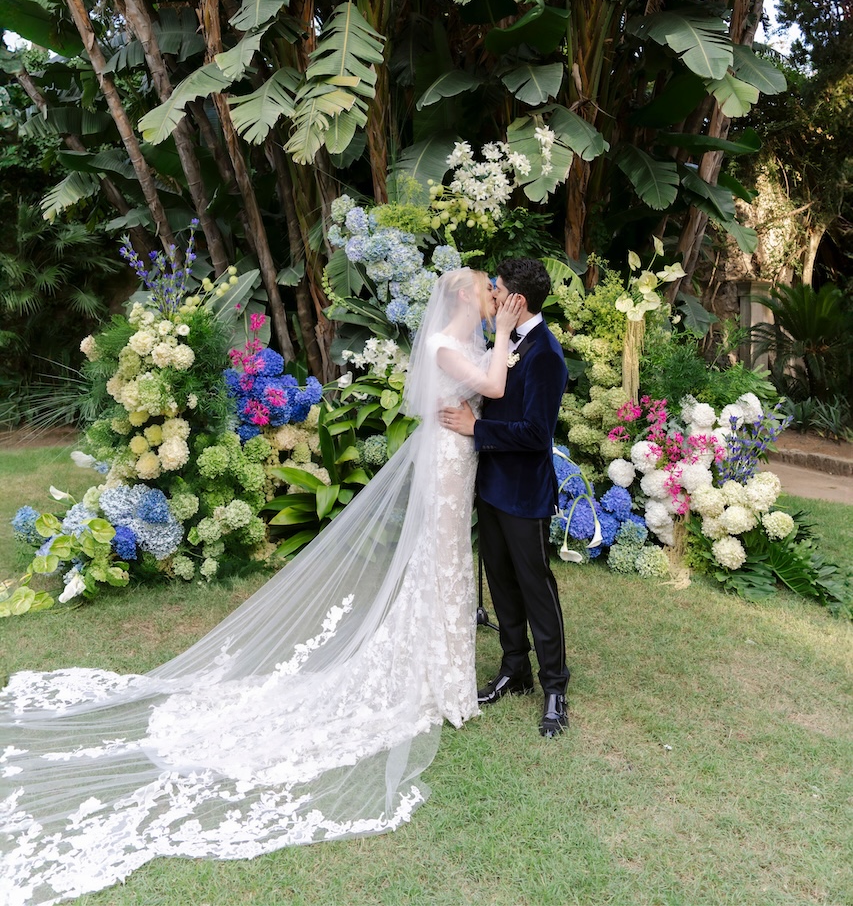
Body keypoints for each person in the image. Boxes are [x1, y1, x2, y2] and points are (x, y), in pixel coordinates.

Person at [0, 269, 523, 906]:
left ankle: (442, 674)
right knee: (440, 563)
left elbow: (493, 389)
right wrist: (499, 337)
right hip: (446, 460)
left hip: (462, 454)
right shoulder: (446, 342)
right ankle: (434, 681)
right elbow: (493, 383)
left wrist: (498, 352)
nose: (491, 294)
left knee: (449, 567)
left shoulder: (464, 345)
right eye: (484, 289)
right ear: (467, 298)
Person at [439, 258, 570, 738]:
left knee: (536, 587)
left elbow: (537, 434)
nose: (490, 295)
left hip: (524, 492)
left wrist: (478, 428)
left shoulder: (546, 355)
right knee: (500, 583)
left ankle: (555, 686)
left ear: (517, 300)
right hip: (490, 485)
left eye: (496, 289)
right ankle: (515, 669)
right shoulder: (500, 342)